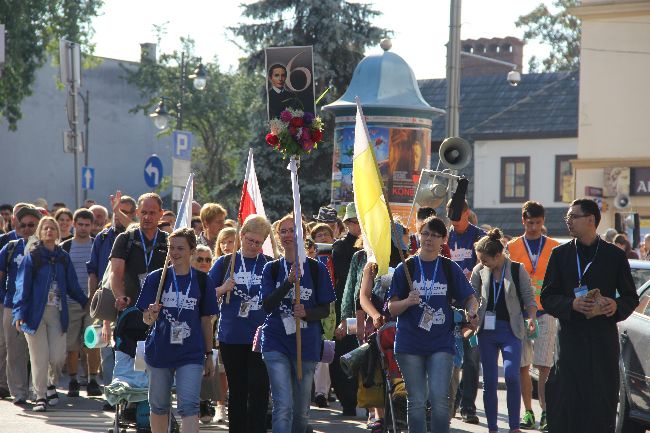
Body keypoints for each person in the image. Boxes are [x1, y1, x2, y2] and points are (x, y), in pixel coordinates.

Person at [541, 198, 639, 433]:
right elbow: (547, 297)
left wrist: (614, 306)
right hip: (569, 349)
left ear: (591, 220)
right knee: (566, 412)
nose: (569, 221)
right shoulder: (560, 255)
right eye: (568, 216)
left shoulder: (614, 256)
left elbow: (630, 297)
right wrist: (571, 304)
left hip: (601, 347)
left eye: (573, 216)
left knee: (599, 413)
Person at [387, 216, 479, 433]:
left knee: (439, 399)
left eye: (435, 235)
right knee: (417, 401)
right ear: (418, 235)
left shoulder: (449, 268)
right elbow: (391, 308)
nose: (429, 239)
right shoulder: (405, 268)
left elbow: (470, 298)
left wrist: (472, 312)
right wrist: (407, 302)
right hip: (409, 343)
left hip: (441, 343)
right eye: (425, 233)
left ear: (443, 240)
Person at [260, 213, 336, 433]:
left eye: (291, 230)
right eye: (282, 231)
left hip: (306, 345)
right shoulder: (271, 269)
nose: (286, 235)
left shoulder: (316, 268)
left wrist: (306, 313)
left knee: (301, 411)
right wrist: (288, 283)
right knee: (283, 404)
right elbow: (267, 305)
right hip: (276, 342)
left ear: (302, 235)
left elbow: (324, 309)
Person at [138, 227, 218, 433]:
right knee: (158, 405)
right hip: (159, 351)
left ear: (192, 250)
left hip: (190, 353)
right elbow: (146, 320)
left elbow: (206, 321)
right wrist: (151, 315)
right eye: (171, 248)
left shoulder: (202, 280)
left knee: (189, 406)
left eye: (180, 248)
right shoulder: (157, 278)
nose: (174, 252)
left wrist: (209, 354)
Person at [13, 216, 89, 412]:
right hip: (34, 314)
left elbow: (72, 285)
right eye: (45, 229)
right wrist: (19, 313)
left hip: (57, 312)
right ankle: (40, 396)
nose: (49, 232)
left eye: (52, 229)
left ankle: (50, 383)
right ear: (40, 232)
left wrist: (87, 302)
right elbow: (22, 287)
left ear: (58, 233)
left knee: (56, 357)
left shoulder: (63, 257)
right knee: (39, 357)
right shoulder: (33, 256)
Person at [209, 214, 272, 433]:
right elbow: (206, 296)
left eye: (258, 242)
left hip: (261, 337)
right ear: (241, 236)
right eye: (250, 240)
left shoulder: (268, 265)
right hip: (232, 335)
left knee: (259, 388)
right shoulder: (226, 262)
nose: (254, 246)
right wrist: (222, 289)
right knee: (238, 389)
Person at [472, 229, 537, 433]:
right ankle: (492, 427)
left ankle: (514, 426)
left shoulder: (517, 270)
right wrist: (471, 314)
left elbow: (529, 297)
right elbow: (471, 297)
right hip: (486, 331)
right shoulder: (478, 271)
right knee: (489, 380)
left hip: (511, 329)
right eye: (480, 259)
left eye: (485, 259)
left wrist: (532, 318)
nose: (483, 263)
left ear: (498, 255)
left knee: (512, 375)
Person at [506, 201, 560, 431]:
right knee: (523, 365)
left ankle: (546, 411)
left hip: (546, 311)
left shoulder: (555, 247)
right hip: (520, 313)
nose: (534, 227)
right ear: (523, 221)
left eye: (537, 223)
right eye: (530, 223)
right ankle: (528, 412)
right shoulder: (512, 247)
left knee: (544, 364)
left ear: (543, 221)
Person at [446, 199, 485, 424]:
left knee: (471, 357)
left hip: (472, 305)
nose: (454, 222)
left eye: (458, 217)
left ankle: (468, 406)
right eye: (450, 218)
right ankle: (448, 404)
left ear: (467, 213)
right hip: (448, 305)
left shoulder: (479, 236)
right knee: (450, 357)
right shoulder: (444, 237)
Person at [0, 204, 40, 404]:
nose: (27, 229)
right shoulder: (10, 247)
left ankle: (37, 391)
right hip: (12, 306)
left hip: (39, 306)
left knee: (38, 351)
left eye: (31, 225)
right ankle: (19, 392)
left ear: (38, 225)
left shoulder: (47, 248)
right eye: (23, 225)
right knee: (15, 351)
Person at [61, 209, 102, 397]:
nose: (84, 228)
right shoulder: (65, 247)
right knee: (72, 346)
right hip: (71, 302)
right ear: (74, 224)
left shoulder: (97, 246)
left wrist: (94, 298)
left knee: (92, 343)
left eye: (87, 224)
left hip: (93, 303)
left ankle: (93, 379)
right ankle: (73, 380)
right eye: (80, 224)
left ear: (92, 226)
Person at [111, 193, 168, 311]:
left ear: (161, 214)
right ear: (137, 212)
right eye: (144, 212)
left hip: (162, 310)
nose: (147, 217)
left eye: (152, 213)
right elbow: (116, 274)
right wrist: (120, 297)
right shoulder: (125, 239)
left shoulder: (169, 241)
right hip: (131, 309)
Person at [331, 202, 362, 415]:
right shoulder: (341, 247)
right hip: (345, 305)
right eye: (353, 221)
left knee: (364, 353)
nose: (357, 225)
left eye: (359, 221)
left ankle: (366, 399)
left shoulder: (371, 244)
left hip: (366, 305)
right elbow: (346, 276)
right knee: (343, 353)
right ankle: (347, 400)